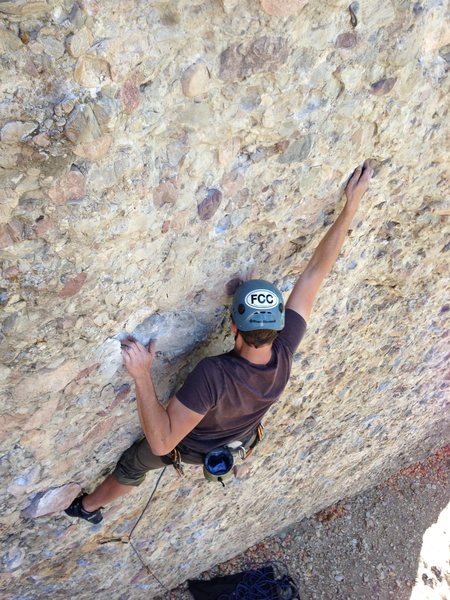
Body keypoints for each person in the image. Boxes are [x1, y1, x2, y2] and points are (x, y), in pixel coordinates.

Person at [65, 161, 373, 523]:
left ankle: (86, 508)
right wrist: (350, 207)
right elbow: (316, 272)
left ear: (232, 328)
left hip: (190, 448)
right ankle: (91, 508)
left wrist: (142, 375)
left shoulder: (215, 374)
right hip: (239, 438)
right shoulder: (285, 346)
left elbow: (163, 443)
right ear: (277, 324)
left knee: (136, 464)